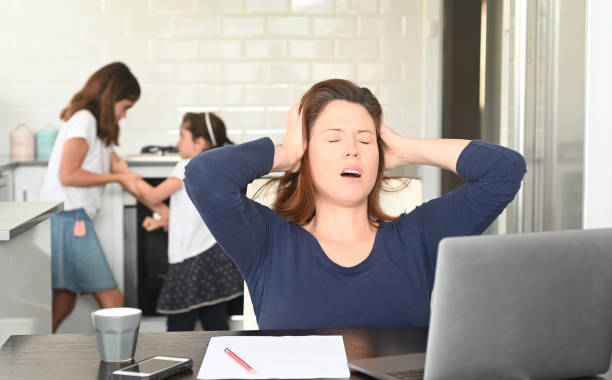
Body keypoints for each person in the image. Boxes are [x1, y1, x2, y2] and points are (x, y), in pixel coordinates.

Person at [184, 79, 526, 330]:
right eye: (333, 139)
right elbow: (203, 175)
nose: (353, 149)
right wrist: (289, 154)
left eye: (365, 140)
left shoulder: (419, 236)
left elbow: (504, 170)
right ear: (307, 153)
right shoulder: (268, 242)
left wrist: (406, 149)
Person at [40, 62, 152, 332]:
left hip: (69, 218)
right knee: (114, 301)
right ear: (111, 97)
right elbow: (69, 175)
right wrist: (117, 178)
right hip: (68, 218)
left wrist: (161, 207)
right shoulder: (84, 121)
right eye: (125, 107)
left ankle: (29, 352)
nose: (124, 116)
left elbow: (126, 175)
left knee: (64, 299)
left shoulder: (101, 131)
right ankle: (125, 366)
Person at [131, 112, 243, 332]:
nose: (177, 142)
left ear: (199, 142)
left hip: (190, 258)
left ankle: (176, 363)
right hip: (213, 255)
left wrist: (128, 176)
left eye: (182, 136)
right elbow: (195, 214)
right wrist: (165, 222)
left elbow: (153, 196)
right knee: (215, 324)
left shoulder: (186, 165)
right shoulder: (216, 165)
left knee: (178, 324)